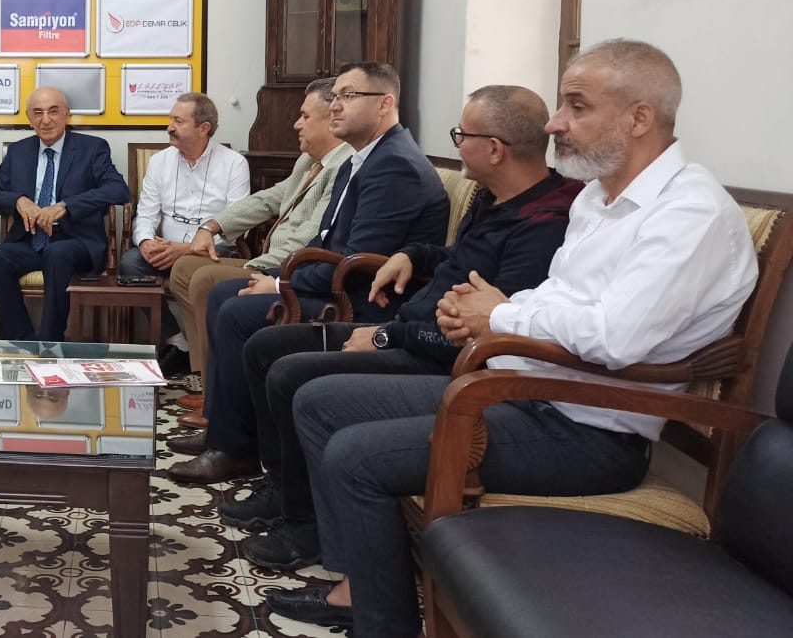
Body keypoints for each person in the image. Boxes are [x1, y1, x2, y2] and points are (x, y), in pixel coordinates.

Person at [272, 41, 756, 637]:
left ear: (639, 118)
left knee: (356, 455)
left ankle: (381, 622)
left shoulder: (689, 213)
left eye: (576, 106)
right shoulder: (597, 199)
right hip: (522, 389)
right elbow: (555, 299)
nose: (554, 124)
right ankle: (362, 589)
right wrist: (490, 313)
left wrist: (500, 316)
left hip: (589, 431)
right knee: (317, 400)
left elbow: (615, 337)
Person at [224, 86, 581, 574]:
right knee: (267, 347)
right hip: (411, 328)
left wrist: (386, 336)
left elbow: (483, 335)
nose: (457, 145)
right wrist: (414, 254)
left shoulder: (543, 224)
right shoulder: (495, 197)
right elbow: (459, 260)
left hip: (442, 357)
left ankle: (307, 527)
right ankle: (287, 493)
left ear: (495, 149)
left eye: (461, 136)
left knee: (291, 375)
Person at [167, 62, 448, 484]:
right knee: (228, 297)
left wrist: (282, 282)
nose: (336, 106)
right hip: (336, 279)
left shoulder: (395, 166)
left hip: (363, 302)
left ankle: (236, 448)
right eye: (335, 97)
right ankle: (227, 434)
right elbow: (327, 240)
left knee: (236, 310)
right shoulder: (362, 159)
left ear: (384, 104)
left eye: (348, 96)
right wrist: (281, 275)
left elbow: (355, 262)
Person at [167, 78, 350, 384]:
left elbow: (310, 239)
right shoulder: (310, 160)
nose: (296, 124)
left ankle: (218, 384)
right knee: (184, 269)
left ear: (332, 121)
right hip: (270, 260)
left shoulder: (343, 167)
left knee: (204, 278)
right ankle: (204, 376)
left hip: (289, 268)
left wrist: (259, 267)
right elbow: (268, 199)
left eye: (305, 116)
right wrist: (211, 226)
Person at [0, 87, 129, 343]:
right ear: (29, 118)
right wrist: (18, 200)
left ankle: (50, 343)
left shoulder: (92, 148)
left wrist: (66, 205)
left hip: (76, 242)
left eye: (53, 111)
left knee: (57, 253)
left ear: (66, 114)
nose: (45, 120)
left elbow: (118, 190)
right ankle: (24, 342)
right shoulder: (18, 152)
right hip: (31, 240)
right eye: (38, 113)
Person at [120, 93, 249, 361]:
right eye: (170, 120)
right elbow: (145, 214)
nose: (170, 127)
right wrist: (146, 242)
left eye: (178, 121)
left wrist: (188, 249)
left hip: (211, 253)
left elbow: (238, 223)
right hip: (164, 251)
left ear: (203, 128)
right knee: (130, 263)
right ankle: (178, 341)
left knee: (200, 267)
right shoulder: (160, 161)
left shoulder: (234, 163)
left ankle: (208, 350)